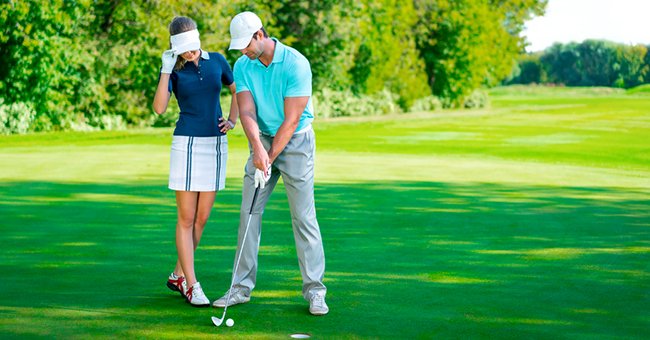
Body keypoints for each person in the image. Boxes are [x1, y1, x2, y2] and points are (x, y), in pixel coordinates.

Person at [212, 11, 328, 315]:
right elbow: (247, 112)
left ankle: (315, 290)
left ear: (260, 35)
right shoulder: (243, 65)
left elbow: (291, 121)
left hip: (297, 142)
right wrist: (258, 151)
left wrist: (269, 157)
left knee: (304, 217)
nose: (243, 50)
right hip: (261, 138)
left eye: (246, 44)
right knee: (248, 213)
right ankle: (240, 288)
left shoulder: (296, 64)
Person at [152, 16, 238, 307]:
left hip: (215, 145)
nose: (190, 54)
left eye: (192, 48)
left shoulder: (217, 61)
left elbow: (236, 89)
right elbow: (160, 108)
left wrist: (233, 120)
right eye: (183, 50)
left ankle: (178, 275)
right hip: (186, 145)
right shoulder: (174, 70)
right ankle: (191, 284)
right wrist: (165, 70)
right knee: (186, 219)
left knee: (202, 219)